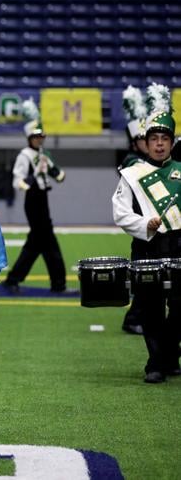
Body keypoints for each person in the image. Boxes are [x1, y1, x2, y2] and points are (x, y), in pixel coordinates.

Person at [112, 83, 181, 383]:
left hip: (179, 244)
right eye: (154, 139)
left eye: (164, 138)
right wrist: (144, 225)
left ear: (171, 141)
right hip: (148, 246)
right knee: (151, 307)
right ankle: (156, 364)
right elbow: (120, 212)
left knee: (179, 306)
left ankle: (168, 356)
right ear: (146, 142)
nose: (159, 144)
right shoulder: (132, 174)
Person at [0, 99, 68, 294]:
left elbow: (59, 175)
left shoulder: (44, 154)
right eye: (36, 137)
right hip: (33, 200)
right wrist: (32, 178)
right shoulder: (24, 156)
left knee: (38, 243)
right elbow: (17, 181)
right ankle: (58, 282)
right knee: (47, 242)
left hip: (43, 199)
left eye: (42, 136)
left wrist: (56, 173)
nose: (40, 140)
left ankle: (14, 279)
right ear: (29, 137)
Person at [118, 85, 148, 335]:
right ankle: (133, 318)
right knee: (144, 274)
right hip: (142, 223)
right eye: (142, 139)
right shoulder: (132, 161)